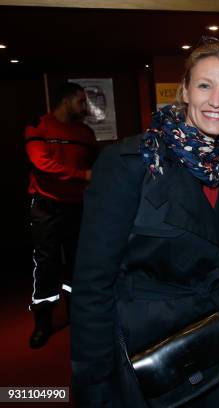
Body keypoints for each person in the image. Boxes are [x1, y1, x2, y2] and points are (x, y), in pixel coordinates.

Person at [70, 38, 219, 407]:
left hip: (211, 344)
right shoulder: (131, 162)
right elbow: (92, 284)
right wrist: (96, 384)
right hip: (145, 353)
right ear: (184, 90)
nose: (217, 100)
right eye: (205, 85)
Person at [25, 81, 97, 349]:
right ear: (66, 101)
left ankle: (77, 317)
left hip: (77, 206)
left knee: (78, 264)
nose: (84, 106)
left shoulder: (85, 133)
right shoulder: (39, 126)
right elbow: (41, 163)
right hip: (46, 207)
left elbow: (95, 166)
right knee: (46, 264)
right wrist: (81, 176)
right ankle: (42, 324)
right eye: (80, 101)